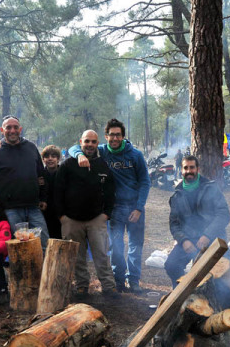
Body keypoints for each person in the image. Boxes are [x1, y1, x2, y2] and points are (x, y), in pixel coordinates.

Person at [69, 118, 150, 293]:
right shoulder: (102, 152)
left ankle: (134, 280)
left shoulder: (135, 155)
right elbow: (74, 148)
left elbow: (145, 182)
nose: (114, 138)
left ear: (123, 136)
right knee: (116, 245)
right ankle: (119, 280)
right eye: (111, 135)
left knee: (135, 245)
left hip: (135, 207)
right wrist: (80, 155)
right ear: (106, 137)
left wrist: (138, 208)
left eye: (118, 135)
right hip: (115, 208)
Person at [56, 130, 117, 298]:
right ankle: (82, 286)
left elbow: (110, 192)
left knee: (102, 254)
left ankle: (108, 286)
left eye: (93, 142)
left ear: (97, 144)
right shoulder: (68, 165)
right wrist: (62, 216)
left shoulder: (102, 165)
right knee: (77, 256)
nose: (90, 145)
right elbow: (57, 191)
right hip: (71, 219)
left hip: (96, 218)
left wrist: (106, 214)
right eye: (87, 141)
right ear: (80, 142)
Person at [164, 155, 230, 288]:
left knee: (224, 274)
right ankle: (182, 297)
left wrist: (207, 235)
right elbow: (174, 224)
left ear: (198, 169)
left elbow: (224, 215)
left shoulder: (210, 188)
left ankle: (221, 302)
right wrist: (183, 240)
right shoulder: (177, 195)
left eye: (192, 167)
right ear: (181, 171)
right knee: (171, 265)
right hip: (190, 239)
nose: (189, 171)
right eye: (185, 168)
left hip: (214, 238)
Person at [0, 115, 49, 250]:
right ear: (2, 130)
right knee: (19, 247)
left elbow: (41, 174)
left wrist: (43, 197)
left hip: (33, 206)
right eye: (8, 127)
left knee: (43, 243)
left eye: (15, 127)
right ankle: (22, 271)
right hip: (11, 208)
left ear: (20, 129)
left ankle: (43, 271)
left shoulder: (31, 147)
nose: (12, 130)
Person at [41, 145, 62, 239]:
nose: (50, 159)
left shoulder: (64, 173)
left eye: (53, 156)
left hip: (61, 214)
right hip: (45, 214)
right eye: (47, 156)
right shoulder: (39, 175)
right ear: (43, 159)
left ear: (58, 159)